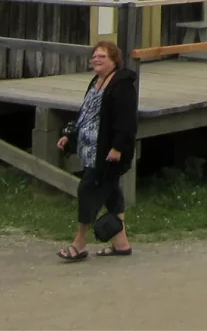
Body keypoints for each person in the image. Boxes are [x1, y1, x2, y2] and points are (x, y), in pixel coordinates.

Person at [56, 40, 138, 261]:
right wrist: (69, 135)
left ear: (114, 60)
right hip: (90, 150)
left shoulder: (121, 84)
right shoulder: (96, 81)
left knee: (87, 191)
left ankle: (80, 243)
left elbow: (127, 121)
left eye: (102, 56)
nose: (97, 60)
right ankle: (121, 244)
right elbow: (86, 115)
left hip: (107, 153)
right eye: (94, 56)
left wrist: (118, 147)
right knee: (111, 194)